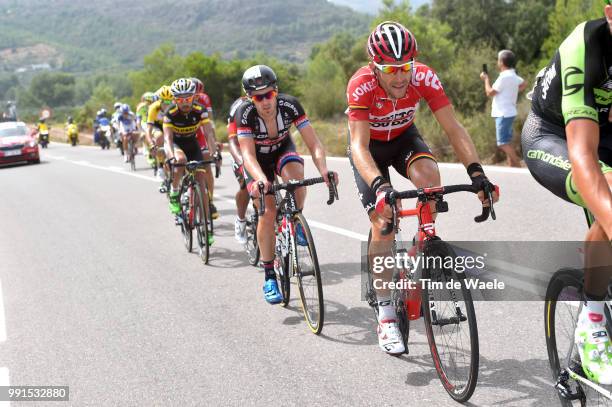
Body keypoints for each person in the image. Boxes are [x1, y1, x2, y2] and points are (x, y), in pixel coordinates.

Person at [347, 21, 498, 355]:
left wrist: (477, 174)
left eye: (405, 67)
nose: (400, 76)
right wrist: (379, 186)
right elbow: (358, 146)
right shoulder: (361, 85)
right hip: (370, 148)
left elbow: (453, 128)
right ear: (375, 66)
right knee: (383, 222)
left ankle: (424, 243)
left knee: (430, 178)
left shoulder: (424, 77)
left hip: (403, 139)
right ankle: (386, 311)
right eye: (390, 69)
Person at [521, 0, 612, 384]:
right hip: (554, 135)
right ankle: (592, 316)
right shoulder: (585, 45)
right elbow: (583, 157)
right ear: (610, 13)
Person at [236, 65, 337, 304]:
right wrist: (261, 180)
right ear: (251, 98)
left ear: (276, 91)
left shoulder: (290, 105)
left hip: (282, 151)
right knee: (268, 211)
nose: (265, 101)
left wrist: (323, 169)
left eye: (269, 94)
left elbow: (314, 144)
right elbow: (248, 156)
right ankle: (269, 274)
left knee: (296, 177)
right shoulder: (245, 113)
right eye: (258, 97)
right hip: (257, 163)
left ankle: (294, 217)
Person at [163, 78, 217, 245]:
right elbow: (167, 138)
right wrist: (171, 157)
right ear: (174, 100)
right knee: (180, 160)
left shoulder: (200, 110)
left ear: (194, 97)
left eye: (188, 98)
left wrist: (214, 152)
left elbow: (208, 133)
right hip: (177, 145)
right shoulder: (170, 114)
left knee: (201, 182)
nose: (184, 103)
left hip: (192, 144)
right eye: (180, 99)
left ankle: (206, 227)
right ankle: (174, 193)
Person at [480, 50, 527, 167]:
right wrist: (514, 90)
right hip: (510, 112)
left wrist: (486, 79)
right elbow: (524, 83)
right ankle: (512, 166)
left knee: (502, 143)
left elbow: (490, 92)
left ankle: (517, 164)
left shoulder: (504, 77)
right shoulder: (513, 75)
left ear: (501, 62)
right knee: (507, 141)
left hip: (503, 113)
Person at [191, 77, 220, 219]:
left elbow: (209, 124)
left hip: (200, 131)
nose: (195, 97)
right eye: (192, 94)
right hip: (183, 133)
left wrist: (214, 145)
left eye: (197, 95)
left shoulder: (204, 99)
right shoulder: (179, 102)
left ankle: (209, 201)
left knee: (207, 163)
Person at [226, 96, 251, 243]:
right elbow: (233, 141)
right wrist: (243, 162)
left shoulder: (272, 103)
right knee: (246, 185)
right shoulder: (239, 107)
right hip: (241, 150)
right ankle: (241, 220)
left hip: (263, 147)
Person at [146, 86, 173, 183]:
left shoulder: (175, 107)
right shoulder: (154, 108)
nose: (167, 105)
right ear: (159, 101)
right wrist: (151, 144)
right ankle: (160, 167)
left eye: (170, 102)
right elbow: (148, 129)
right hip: (157, 126)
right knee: (159, 137)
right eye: (164, 102)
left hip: (169, 126)